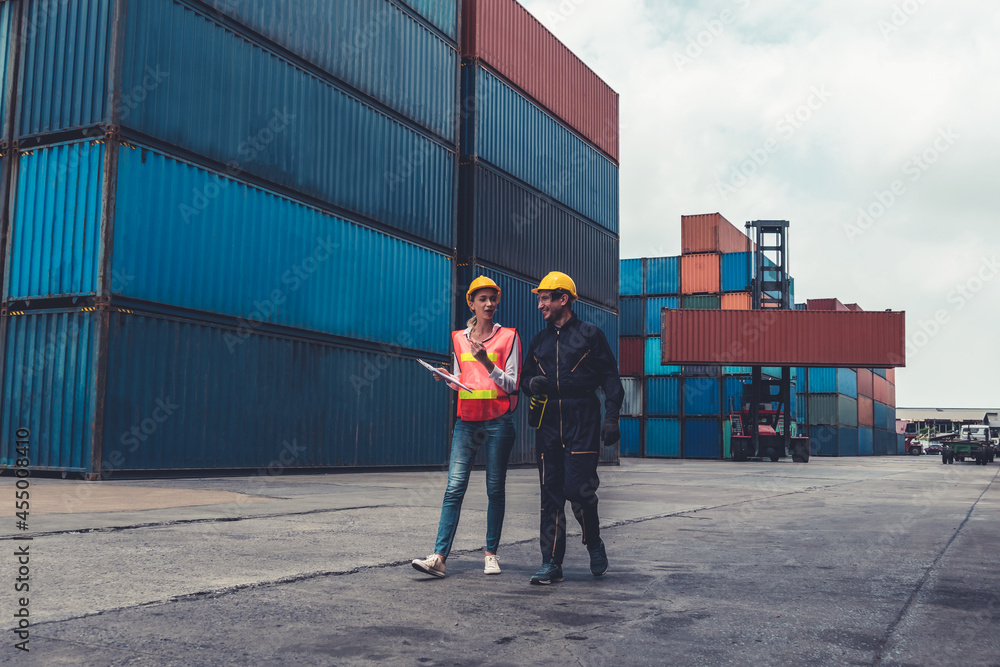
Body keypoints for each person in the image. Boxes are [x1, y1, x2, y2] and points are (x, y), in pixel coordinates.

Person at [412, 277, 521, 578]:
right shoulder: (459, 338)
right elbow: (465, 381)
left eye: (493, 299)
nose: (489, 304)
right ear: (471, 302)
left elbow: (512, 386)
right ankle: (439, 557)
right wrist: (447, 377)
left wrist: (487, 362)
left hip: (499, 420)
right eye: (482, 299)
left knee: (494, 489)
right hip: (467, 420)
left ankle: (490, 554)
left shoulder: (509, 337)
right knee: (454, 488)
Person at [520, 271, 623, 585]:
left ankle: (593, 540)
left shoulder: (590, 335)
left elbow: (611, 380)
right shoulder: (539, 341)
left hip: (583, 419)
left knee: (577, 490)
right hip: (548, 422)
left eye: (545, 297)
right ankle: (551, 563)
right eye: (539, 298)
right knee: (550, 495)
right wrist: (531, 384)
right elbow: (524, 380)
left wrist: (611, 418)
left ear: (563, 298)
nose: (540, 305)